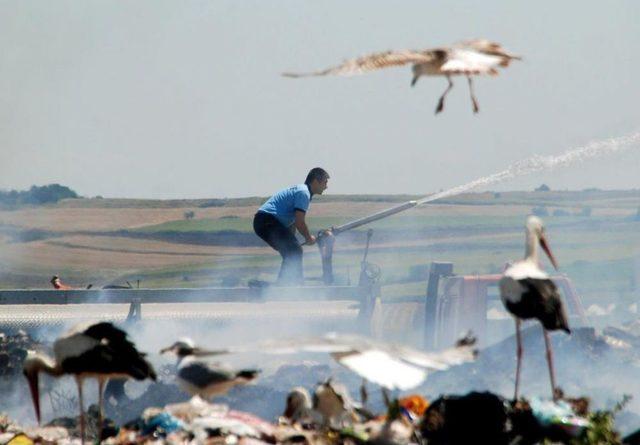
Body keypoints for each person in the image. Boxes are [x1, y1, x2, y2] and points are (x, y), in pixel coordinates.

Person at [253, 168, 329, 284]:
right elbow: (300, 223)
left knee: (292, 251)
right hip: (267, 221)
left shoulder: (302, 191)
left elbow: (293, 222)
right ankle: (287, 286)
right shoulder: (304, 193)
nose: (326, 186)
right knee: (295, 251)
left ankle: (286, 285)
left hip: (264, 221)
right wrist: (308, 238)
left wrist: (291, 241)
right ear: (315, 181)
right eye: (325, 182)